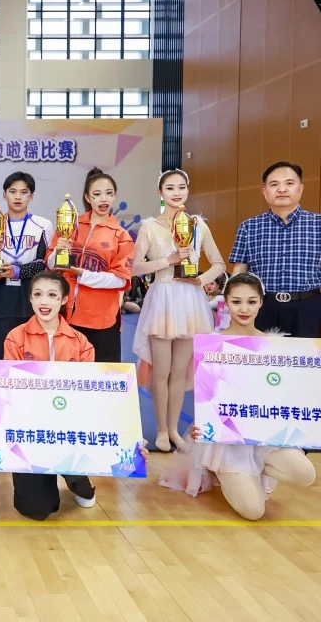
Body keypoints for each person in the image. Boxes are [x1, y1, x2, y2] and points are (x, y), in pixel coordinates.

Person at [0, 271, 148, 520]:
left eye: (52, 295)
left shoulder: (81, 343)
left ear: (64, 299)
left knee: (79, 480)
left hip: (69, 426)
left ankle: (78, 480)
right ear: (30, 299)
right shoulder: (15, 338)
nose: (44, 302)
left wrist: (128, 436)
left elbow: (94, 397)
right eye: (38, 295)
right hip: (31, 428)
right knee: (37, 510)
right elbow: (7, 391)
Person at [159, 273, 317, 520]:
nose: (244, 309)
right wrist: (202, 423)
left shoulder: (275, 345)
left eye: (251, 302)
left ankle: (260, 467)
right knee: (254, 511)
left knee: (306, 474)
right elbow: (206, 395)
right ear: (226, 302)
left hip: (265, 433)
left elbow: (289, 396)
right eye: (236, 302)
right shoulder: (211, 344)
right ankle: (223, 472)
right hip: (227, 439)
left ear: (261, 302)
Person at [131, 169, 225, 452]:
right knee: (161, 370)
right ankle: (161, 430)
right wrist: (168, 260)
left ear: (188, 190)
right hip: (162, 299)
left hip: (191, 302)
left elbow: (219, 264)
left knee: (180, 371)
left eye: (181, 187)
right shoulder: (149, 227)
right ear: (160, 193)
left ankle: (173, 429)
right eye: (170, 187)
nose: (176, 192)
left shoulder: (198, 225)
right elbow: (134, 267)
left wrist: (201, 280)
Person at [228, 162, 321, 339]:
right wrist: (236, 309)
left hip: (308, 308)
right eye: (274, 184)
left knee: (307, 356)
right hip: (261, 307)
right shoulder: (248, 227)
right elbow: (239, 271)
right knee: (259, 356)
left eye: (289, 183)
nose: (282, 189)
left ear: (301, 188)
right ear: (264, 192)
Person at [46, 168, 135, 362]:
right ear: (87, 197)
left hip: (102, 320)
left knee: (101, 376)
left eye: (109, 193)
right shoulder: (70, 224)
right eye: (97, 194)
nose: (103, 199)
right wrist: (58, 252)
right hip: (65, 314)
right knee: (66, 375)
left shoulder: (121, 235)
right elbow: (50, 265)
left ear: (115, 196)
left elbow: (121, 280)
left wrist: (83, 275)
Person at [0, 172, 52, 360]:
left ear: (32, 196)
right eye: (12, 191)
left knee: (35, 359)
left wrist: (17, 271)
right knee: (2, 358)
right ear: (4, 195)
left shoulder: (42, 225)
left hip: (34, 297)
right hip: (2, 299)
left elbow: (43, 262)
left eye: (24, 192)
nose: (18, 197)